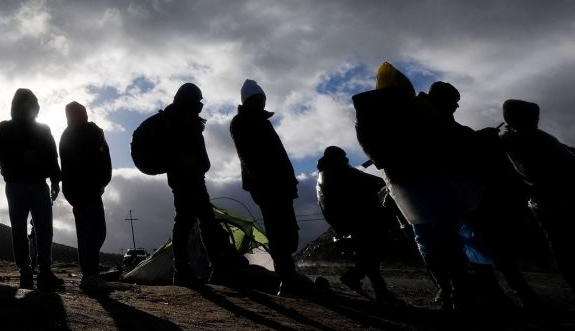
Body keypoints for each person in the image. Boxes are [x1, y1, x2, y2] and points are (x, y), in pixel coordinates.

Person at [353, 63, 471, 311]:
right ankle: (461, 291)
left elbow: (371, 149)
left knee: (424, 236)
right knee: (448, 233)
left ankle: (446, 290)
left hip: (400, 183)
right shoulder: (419, 107)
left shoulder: (367, 112)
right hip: (432, 175)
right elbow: (442, 136)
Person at [427, 83, 541, 309]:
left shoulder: (441, 124)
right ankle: (510, 295)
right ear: (442, 100)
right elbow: (450, 150)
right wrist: (480, 138)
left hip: (462, 196)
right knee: (484, 246)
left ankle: (496, 293)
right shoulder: (431, 125)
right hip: (457, 197)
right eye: (453, 100)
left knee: (479, 246)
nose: (457, 105)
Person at [230, 80, 316, 296]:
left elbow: (279, 155)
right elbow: (248, 156)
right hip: (267, 186)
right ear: (249, 100)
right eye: (257, 98)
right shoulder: (242, 122)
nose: (262, 101)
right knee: (278, 231)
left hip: (280, 185)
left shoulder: (260, 121)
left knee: (287, 230)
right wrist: (261, 184)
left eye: (262, 98)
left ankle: (288, 275)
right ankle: (286, 280)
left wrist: (290, 181)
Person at [500, 99, 575, 310]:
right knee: (571, 250)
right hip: (561, 202)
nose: (537, 120)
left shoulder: (511, 139)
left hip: (544, 203)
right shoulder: (533, 138)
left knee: (565, 250)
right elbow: (574, 161)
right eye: (533, 116)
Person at [161, 83, 243, 287]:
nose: (200, 105)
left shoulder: (177, 118)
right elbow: (186, 151)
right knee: (202, 222)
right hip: (188, 179)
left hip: (187, 178)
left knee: (188, 222)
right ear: (189, 101)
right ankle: (213, 269)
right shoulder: (182, 120)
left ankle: (187, 271)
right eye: (197, 101)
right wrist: (197, 165)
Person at [0, 88, 64, 291]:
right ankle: (26, 270)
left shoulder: (44, 129)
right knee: (20, 229)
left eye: (32, 103)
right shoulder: (5, 127)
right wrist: (20, 156)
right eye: (26, 103)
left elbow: (52, 156)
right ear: (17, 105)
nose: (30, 107)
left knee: (44, 229)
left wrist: (56, 180)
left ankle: (44, 271)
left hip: (39, 184)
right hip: (15, 184)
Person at [316, 146, 399, 303]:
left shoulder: (324, 175)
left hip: (346, 222)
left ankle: (379, 290)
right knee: (378, 251)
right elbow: (375, 182)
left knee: (369, 254)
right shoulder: (339, 171)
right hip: (362, 218)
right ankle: (356, 278)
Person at [60, 101, 113, 293]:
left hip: (86, 190)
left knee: (89, 232)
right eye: (79, 113)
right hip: (84, 191)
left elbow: (102, 158)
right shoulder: (76, 134)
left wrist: (102, 181)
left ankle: (90, 273)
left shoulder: (88, 132)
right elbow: (75, 163)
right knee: (95, 231)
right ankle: (90, 274)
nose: (83, 115)